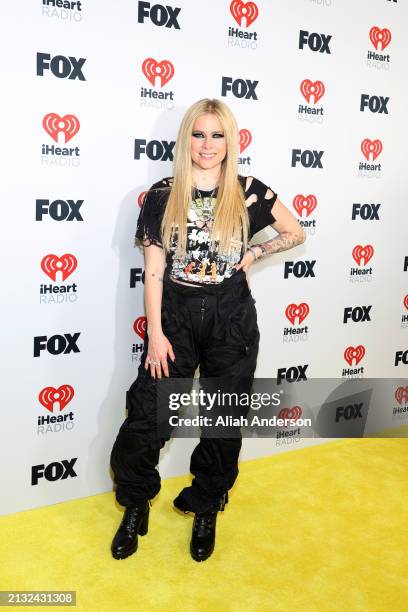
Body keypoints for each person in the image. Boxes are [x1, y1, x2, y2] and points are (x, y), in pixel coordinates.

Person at [110, 98, 306, 562]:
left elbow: (296, 232)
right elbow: (154, 271)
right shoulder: (162, 194)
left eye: (217, 135)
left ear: (229, 140)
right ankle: (136, 504)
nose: (207, 145)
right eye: (199, 134)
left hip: (231, 317)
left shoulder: (249, 190)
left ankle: (207, 505)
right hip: (175, 315)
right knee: (147, 419)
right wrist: (156, 334)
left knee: (223, 422)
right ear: (186, 139)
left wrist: (256, 254)